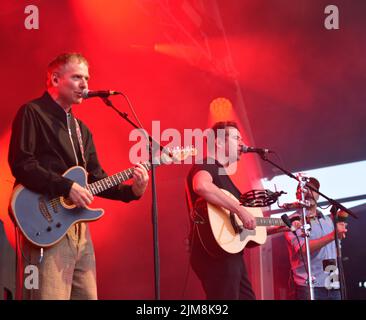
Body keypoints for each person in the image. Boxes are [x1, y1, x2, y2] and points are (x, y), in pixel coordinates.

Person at [8, 52, 149, 300]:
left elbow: (96, 179)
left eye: (87, 78)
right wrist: (66, 187)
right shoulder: (32, 112)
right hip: (46, 225)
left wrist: (132, 191)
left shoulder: (81, 129)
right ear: (54, 79)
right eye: (76, 77)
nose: (85, 84)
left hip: (78, 228)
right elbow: (22, 164)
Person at [185, 121, 297, 300]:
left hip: (229, 253)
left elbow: (243, 225)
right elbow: (201, 186)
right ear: (219, 142)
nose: (242, 144)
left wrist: (277, 226)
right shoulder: (206, 164)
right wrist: (240, 210)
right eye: (236, 138)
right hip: (215, 254)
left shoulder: (223, 176)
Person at [284, 177, 348, 300]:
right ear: (298, 195)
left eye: (313, 189)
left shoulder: (328, 220)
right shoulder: (293, 221)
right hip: (309, 287)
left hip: (333, 282)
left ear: (318, 194)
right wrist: (332, 235)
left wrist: (338, 236)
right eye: (304, 189)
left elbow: (334, 248)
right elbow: (303, 249)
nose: (309, 192)